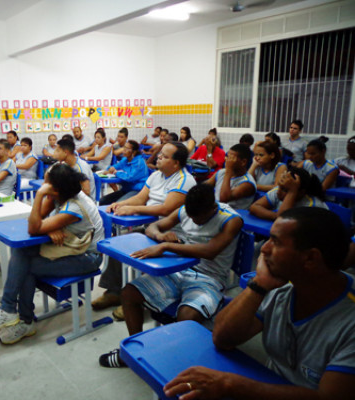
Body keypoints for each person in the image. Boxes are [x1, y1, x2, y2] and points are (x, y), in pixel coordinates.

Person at [164, 207, 355, 399]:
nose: (264, 249)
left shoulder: (349, 321)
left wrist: (231, 385)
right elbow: (223, 338)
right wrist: (258, 285)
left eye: (276, 242)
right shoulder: (282, 287)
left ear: (311, 258)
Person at [99, 184, 243, 368]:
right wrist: (161, 237)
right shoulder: (187, 209)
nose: (194, 221)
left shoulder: (231, 220)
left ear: (213, 208)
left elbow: (210, 251)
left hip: (210, 279)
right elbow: (154, 226)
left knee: (187, 316)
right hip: (179, 270)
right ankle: (135, 351)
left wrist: (167, 246)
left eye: (199, 218)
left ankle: (177, 362)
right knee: (129, 293)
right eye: (191, 216)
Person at [0, 164, 104, 344]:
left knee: (26, 267)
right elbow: (35, 221)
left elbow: (32, 227)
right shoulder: (61, 195)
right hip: (70, 247)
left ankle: (20, 318)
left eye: (47, 183)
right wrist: (48, 227)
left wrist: (39, 196)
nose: (43, 185)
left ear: (56, 188)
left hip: (88, 257)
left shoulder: (74, 207)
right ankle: (11, 311)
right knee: (21, 250)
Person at [92, 142, 197, 318]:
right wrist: (120, 204)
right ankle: (114, 292)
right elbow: (140, 198)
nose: (158, 157)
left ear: (176, 163)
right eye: (160, 154)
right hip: (151, 229)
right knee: (118, 245)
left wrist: (134, 209)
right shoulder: (156, 175)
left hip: (173, 235)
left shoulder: (185, 180)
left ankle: (140, 300)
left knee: (141, 255)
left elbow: (166, 209)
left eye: (164, 156)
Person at [250, 167, 328, 220]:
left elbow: (283, 220)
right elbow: (254, 207)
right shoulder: (279, 190)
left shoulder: (312, 206)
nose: (278, 192)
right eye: (280, 186)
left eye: (286, 190)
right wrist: (275, 215)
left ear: (301, 192)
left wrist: (292, 192)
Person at [204, 144, 256, 210]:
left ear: (243, 162)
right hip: (216, 209)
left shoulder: (247, 183)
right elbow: (203, 187)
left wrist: (228, 171)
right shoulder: (222, 172)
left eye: (231, 158)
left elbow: (223, 199)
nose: (226, 160)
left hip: (232, 213)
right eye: (227, 156)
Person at [99, 140, 149, 205]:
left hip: (138, 190)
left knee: (117, 205)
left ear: (134, 152)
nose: (124, 150)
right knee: (102, 201)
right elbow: (116, 166)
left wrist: (116, 173)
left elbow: (130, 177)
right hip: (126, 189)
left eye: (127, 148)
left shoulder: (139, 163)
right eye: (124, 147)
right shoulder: (125, 159)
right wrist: (110, 169)